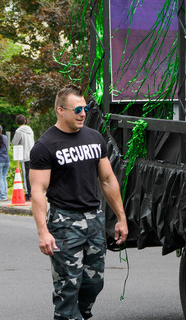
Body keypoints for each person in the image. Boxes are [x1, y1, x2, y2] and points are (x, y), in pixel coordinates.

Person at [29, 85, 128, 320]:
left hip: (94, 219)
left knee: (94, 283)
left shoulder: (94, 138)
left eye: (85, 108)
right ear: (60, 111)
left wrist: (121, 218)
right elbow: (38, 191)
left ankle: (78, 315)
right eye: (77, 110)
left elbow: (107, 179)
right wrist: (43, 232)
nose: (83, 113)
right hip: (64, 223)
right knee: (68, 286)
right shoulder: (45, 146)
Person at [12, 114, 35, 201]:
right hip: (32, 155)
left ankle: (27, 194)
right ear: (25, 121)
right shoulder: (30, 130)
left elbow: (14, 142)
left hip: (24, 156)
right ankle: (32, 192)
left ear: (17, 122)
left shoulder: (19, 131)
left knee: (26, 176)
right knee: (32, 175)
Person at [0, 125, 9, 201]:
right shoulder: (5, 138)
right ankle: (4, 194)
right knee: (4, 177)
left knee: (0, 178)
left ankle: (2, 196)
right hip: (6, 159)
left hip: (0, 160)